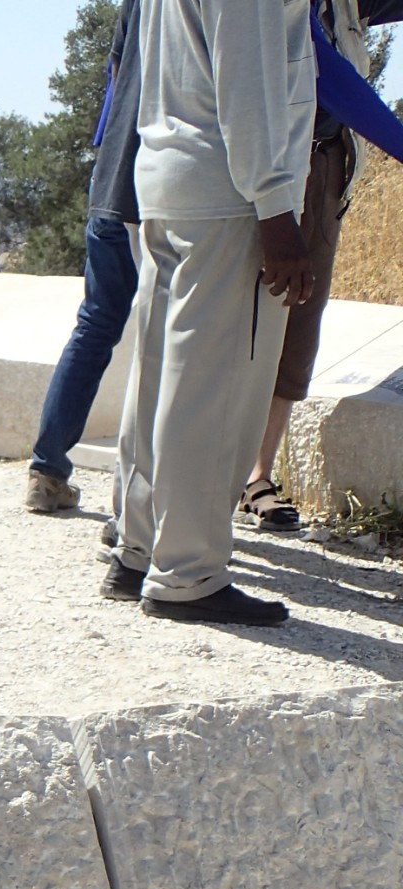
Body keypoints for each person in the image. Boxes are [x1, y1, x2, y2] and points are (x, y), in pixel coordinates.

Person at [105, 0, 315, 626]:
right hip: (230, 197)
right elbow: (246, 84)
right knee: (213, 390)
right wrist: (277, 210)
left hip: (170, 180)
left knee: (161, 378)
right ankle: (189, 574)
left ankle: (138, 550)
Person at [238, 0, 403, 532]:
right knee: (236, 327)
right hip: (260, 175)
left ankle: (257, 477)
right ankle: (196, 482)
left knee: (300, 325)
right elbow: (328, 76)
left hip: (328, 166)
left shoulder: (354, 5)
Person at [25, 0, 143, 515]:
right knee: (171, 338)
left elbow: (116, 74)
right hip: (162, 188)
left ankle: (47, 471)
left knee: (94, 326)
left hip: (110, 179)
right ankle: (139, 500)